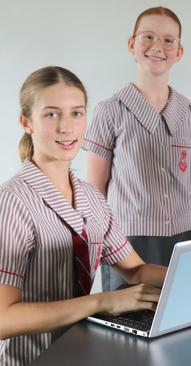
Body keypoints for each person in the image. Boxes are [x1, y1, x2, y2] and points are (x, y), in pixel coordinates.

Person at [0, 66, 166, 366]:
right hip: (30, 359)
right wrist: (102, 302)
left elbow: (135, 270)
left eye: (76, 113)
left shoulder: (91, 198)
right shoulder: (12, 202)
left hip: (80, 352)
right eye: (51, 114)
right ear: (27, 123)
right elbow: (3, 320)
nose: (67, 127)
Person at [82, 6, 191, 290]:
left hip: (184, 238)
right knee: (131, 325)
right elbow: (95, 192)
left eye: (169, 40)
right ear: (132, 44)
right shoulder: (110, 111)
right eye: (148, 37)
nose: (158, 47)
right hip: (127, 244)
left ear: (179, 52)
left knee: (184, 317)